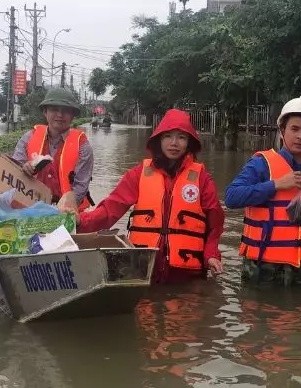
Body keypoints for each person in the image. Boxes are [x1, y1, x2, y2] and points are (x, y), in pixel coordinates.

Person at [73, 109, 224, 284]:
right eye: (168, 136)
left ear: (189, 142)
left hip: (187, 274)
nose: (174, 143)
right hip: (145, 268)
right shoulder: (138, 174)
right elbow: (109, 211)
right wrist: (78, 222)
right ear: (159, 139)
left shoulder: (202, 178)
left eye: (181, 137)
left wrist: (211, 255)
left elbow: (216, 223)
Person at [225, 96, 301, 286]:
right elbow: (232, 197)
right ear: (282, 131)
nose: (300, 136)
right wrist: (275, 184)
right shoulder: (261, 164)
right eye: (294, 129)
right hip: (262, 266)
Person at [11, 87, 94, 211]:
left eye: (66, 111)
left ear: (72, 116)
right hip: (30, 208)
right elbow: (13, 169)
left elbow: (81, 186)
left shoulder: (83, 146)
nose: (60, 115)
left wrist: (60, 212)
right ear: (45, 112)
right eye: (54, 109)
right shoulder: (28, 138)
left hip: (68, 212)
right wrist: (23, 167)